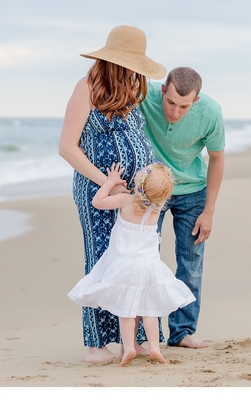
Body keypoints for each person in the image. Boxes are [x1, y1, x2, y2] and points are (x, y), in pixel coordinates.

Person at [59, 25, 167, 363]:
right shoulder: (86, 87)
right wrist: (108, 180)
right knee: (103, 263)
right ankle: (96, 346)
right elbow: (67, 147)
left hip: (134, 194)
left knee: (137, 264)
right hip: (99, 189)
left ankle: (134, 342)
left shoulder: (133, 89)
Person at [68, 162, 195, 367]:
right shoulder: (157, 207)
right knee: (150, 310)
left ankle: (129, 348)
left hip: (124, 265)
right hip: (149, 266)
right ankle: (154, 347)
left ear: (139, 185)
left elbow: (98, 202)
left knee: (126, 311)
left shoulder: (126, 201)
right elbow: (154, 192)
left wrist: (109, 182)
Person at [139, 67, 225, 349]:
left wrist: (209, 210)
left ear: (196, 100)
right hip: (154, 189)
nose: (175, 111)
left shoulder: (211, 112)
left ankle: (182, 332)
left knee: (191, 263)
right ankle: (143, 335)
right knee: (144, 260)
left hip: (193, 191)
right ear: (162, 91)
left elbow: (216, 158)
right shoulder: (145, 95)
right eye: (171, 102)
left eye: (184, 106)